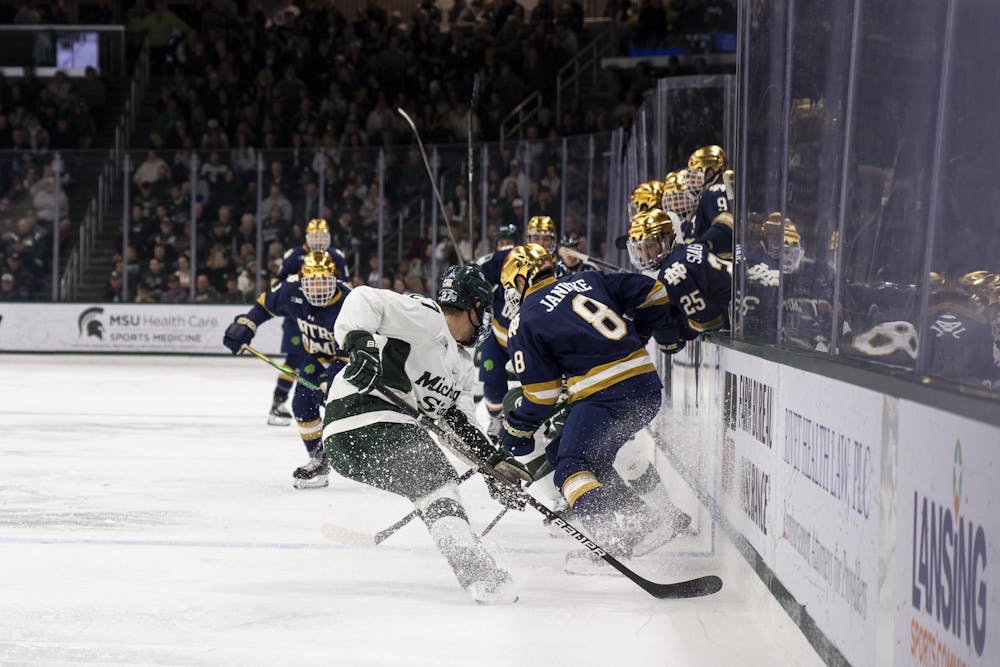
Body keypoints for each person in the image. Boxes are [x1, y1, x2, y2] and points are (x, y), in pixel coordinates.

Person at [321, 264, 530, 604]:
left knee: (432, 485)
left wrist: (493, 465)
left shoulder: (463, 366)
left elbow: (460, 424)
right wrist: (359, 342)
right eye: (484, 310)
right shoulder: (426, 317)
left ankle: (472, 563)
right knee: (434, 477)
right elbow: (365, 298)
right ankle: (476, 571)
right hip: (360, 413)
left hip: (353, 441)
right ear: (474, 306)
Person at [498, 243, 683, 573]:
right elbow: (654, 291)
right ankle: (643, 520)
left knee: (571, 467)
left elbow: (542, 393)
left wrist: (518, 426)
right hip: (645, 387)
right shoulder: (589, 279)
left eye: (513, 285)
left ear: (523, 278)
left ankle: (608, 544)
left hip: (606, 397)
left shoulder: (525, 318)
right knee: (563, 454)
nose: (514, 293)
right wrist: (638, 336)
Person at [223, 251, 351, 489]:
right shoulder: (291, 290)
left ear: (335, 280)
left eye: (324, 280)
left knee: (349, 414)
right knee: (302, 403)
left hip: (350, 362)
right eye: (312, 281)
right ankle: (319, 460)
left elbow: (351, 353)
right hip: (314, 357)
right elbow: (264, 306)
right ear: (302, 281)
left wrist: (330, 380)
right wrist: (247, 326)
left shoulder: (350, 303)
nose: (318, 287)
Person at [264, 218, 350, 426]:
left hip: (324, 316)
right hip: (299, 317)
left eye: (322, 236)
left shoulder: (336, 256)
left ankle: (322, 400)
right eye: (315, 236)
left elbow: (346, 283)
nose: (319, 240)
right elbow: (278, 283)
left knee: (330, 360)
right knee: (294, 360)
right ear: (307, 237)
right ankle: (279, 402)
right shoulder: (295, 256)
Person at [626, 208, 732, 343]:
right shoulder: (683, 253)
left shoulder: (671, 274)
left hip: (750, 305)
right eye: (639, 249)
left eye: (650, 246)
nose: (645, 255)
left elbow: (710, 323)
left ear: (666, 239)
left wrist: (680, 326)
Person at [474, 223, 520, 437]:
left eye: (509, 242)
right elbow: (477, 279)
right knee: (491, 376)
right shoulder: (491, 261)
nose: (505, 246)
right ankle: (496, 419)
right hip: (498, 331)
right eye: (501, 243)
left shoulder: (527, 260)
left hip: (524, 335)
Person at [683, 145, 734, 259]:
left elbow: (726, 223)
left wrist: (701, 245)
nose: (690, 182)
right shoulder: (705, 196)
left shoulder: (715, 192)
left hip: (718, 262)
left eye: (695, 175)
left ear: (709, 174)